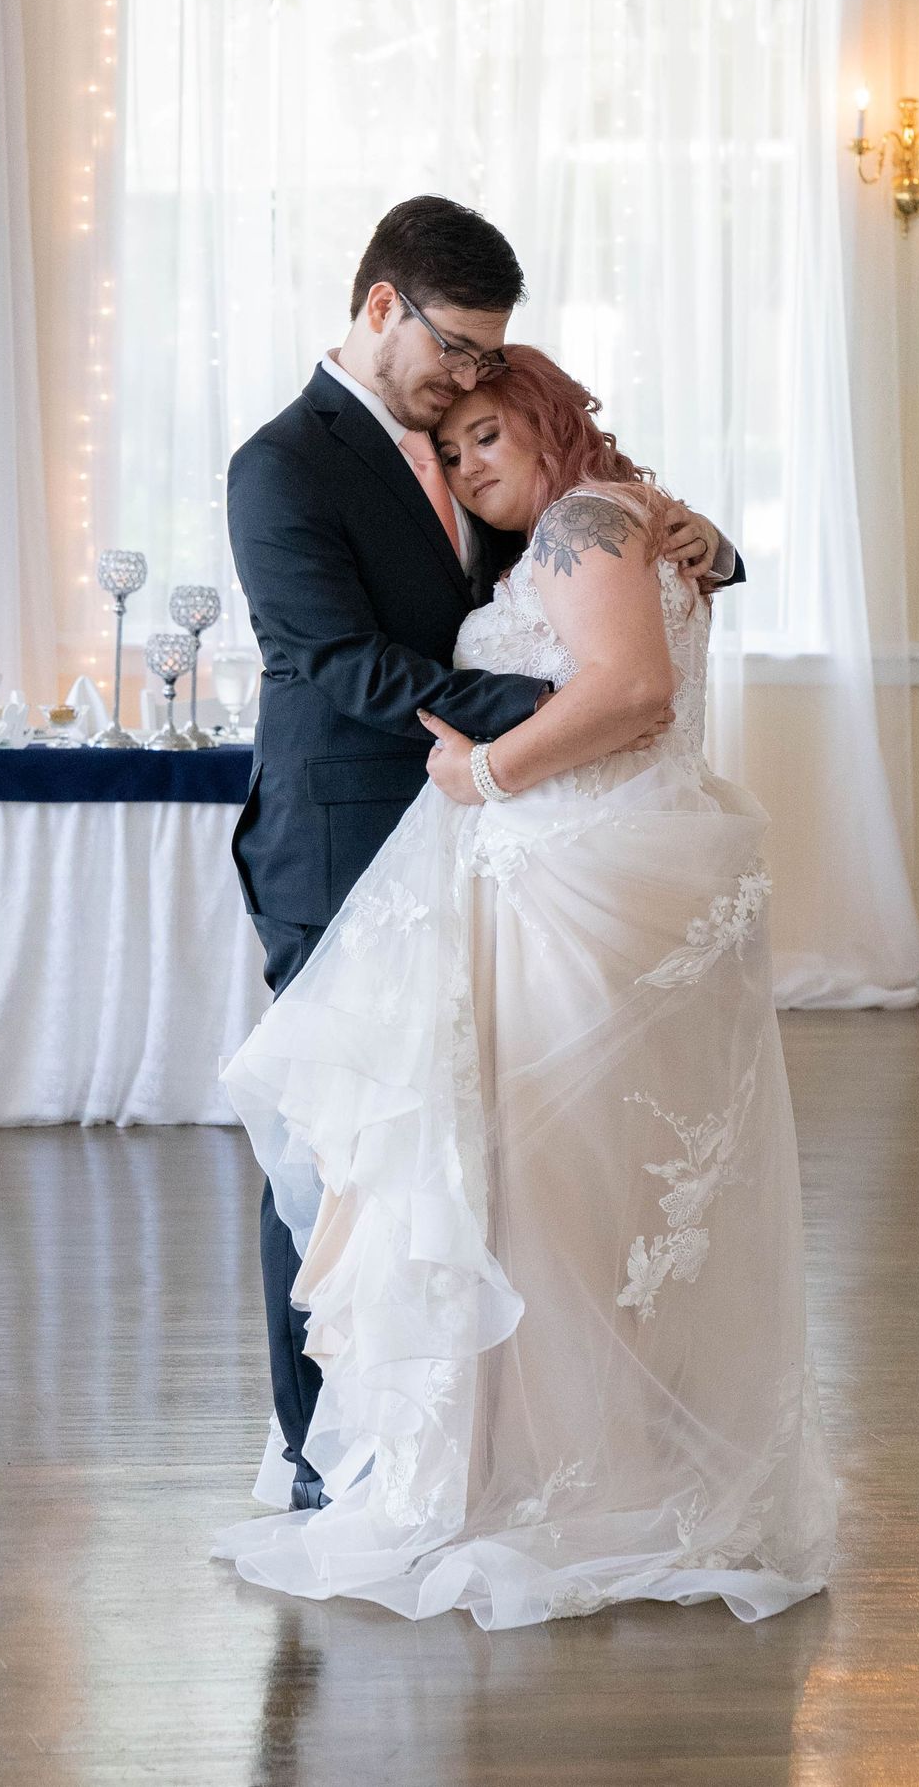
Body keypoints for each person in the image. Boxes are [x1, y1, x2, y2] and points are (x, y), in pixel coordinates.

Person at [212, 344, 836, 1626]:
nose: (467, 466)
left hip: (573, 886)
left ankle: (536, 1473)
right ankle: (583, 1457)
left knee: (545, 1183)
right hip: (596, 875)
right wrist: (708, 549)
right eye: (452, 450)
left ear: (553, 419)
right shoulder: (614, 523)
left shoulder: (580, 522)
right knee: (583, 1188)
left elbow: (636, 691)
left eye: (489, 434)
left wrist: (484, 773)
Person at [224, 195, 737, 1513]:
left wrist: (706, 548)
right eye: (454, 349)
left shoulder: (486, 450)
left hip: (492, 848)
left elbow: (587, 553)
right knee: (340, 1137)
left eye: (488, 362)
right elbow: (339, 662)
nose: (468, 382)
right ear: (380, 304)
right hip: (344, 836)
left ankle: (446, 1442)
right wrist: (566, 715)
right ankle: (322, 1457)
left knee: (470, 1147)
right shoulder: (280, 464)